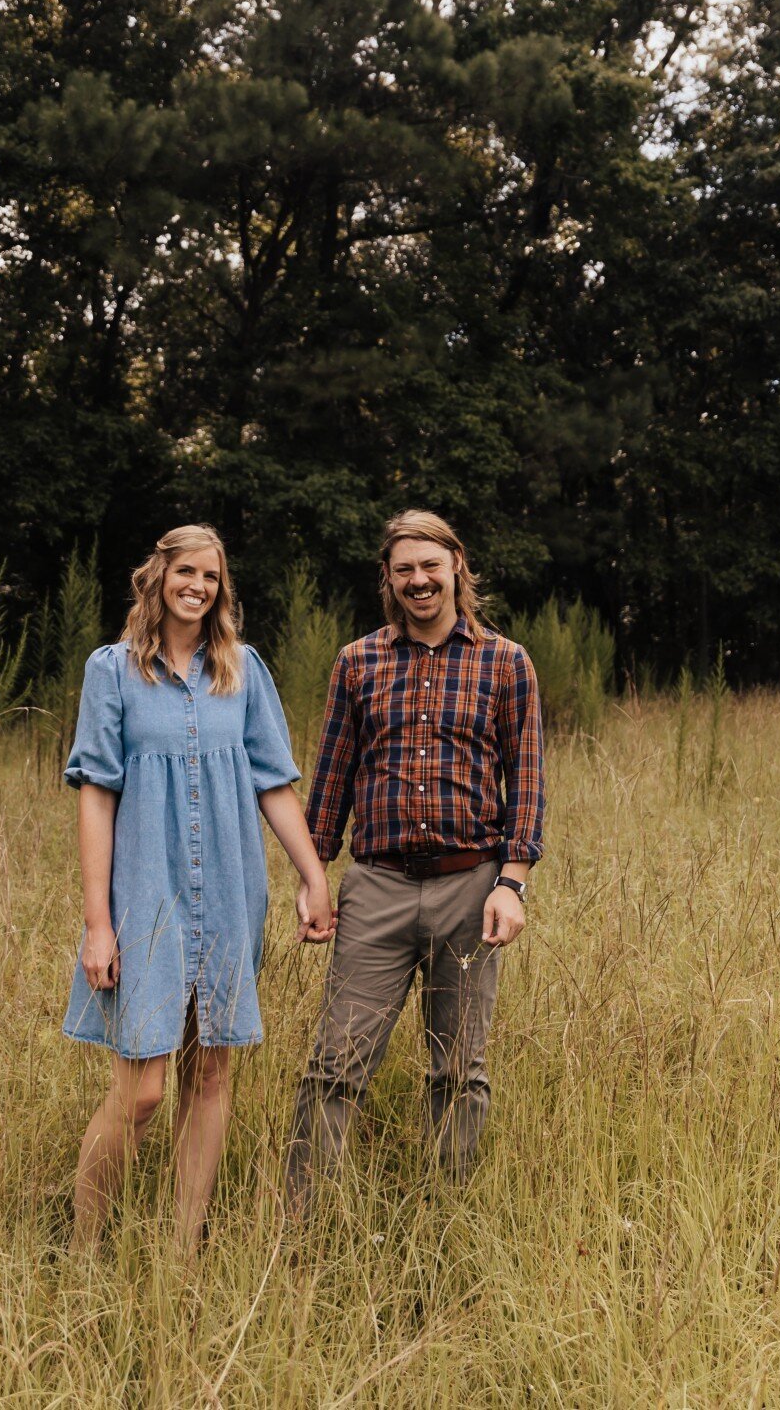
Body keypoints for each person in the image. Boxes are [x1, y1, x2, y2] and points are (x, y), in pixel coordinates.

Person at [63, 523, 335, 1254]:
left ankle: (184, 1249)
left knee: (210, 1073)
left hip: (229, 893)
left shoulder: (241, 670)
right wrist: (98, 922)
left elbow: (273, 784)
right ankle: (82, 1246)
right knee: (143, 1090)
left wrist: (313, 878)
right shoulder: (113, 671)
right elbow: (95, 792)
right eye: (186, 572)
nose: (198, 587)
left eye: (211, 577)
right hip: (145, 900)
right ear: (158, 577)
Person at [285, 509, 544, 1213]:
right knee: (335, 1065)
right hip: (377, 888)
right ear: (389, 578)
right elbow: (332, 777)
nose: (419, 580)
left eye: (431, 565)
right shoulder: (357, 661)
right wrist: (315, 879)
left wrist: (512, 884)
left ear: (457, 566)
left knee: (459, 1072)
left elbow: (526, 783)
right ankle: (302, 1223)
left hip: (472, 887)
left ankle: (444, 1221)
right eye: (404, 569)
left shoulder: (506, 662)